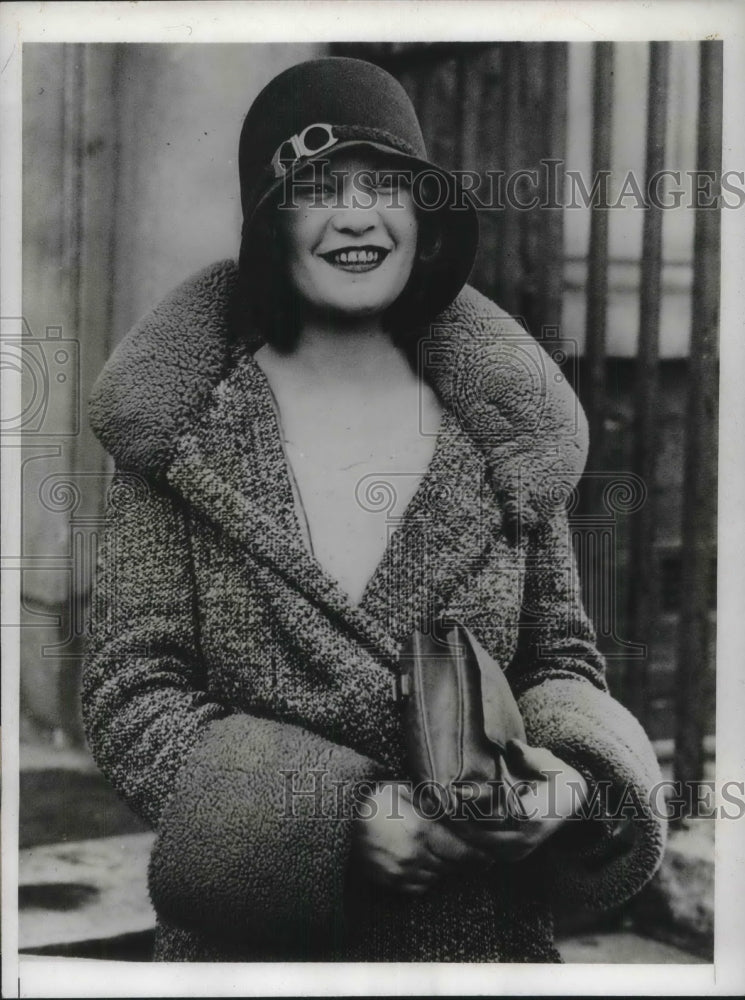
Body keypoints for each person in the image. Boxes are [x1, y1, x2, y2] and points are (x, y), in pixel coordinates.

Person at [83, 57, 666, 963]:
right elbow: (133, 697)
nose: (358, 214)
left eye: (386, 184)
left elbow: (558, 660)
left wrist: (566, 778)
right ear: (269, 222)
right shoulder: (182, 434)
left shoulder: (499, 424)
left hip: (478, 944)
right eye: (317, 187)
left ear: (421, 217)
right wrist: (338, 818)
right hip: (255, 954)